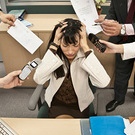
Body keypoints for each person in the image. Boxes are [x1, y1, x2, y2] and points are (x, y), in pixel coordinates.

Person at [33, 18, 110, 118]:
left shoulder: (86, 56)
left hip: (80, 105)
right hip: (57, 103)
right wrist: (54, 44)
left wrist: (85, 47)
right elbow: (38, 79)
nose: (70, 51)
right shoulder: (53, 56)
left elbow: (103, 82)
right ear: (59, 42)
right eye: (65, 45)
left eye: (75, 45)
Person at [95, 0, 135, 112]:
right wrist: (107, 22)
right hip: (122, 40)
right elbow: (112, 13)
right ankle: (119, 99)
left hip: (125, 34)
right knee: (121, 71)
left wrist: (123, 29)